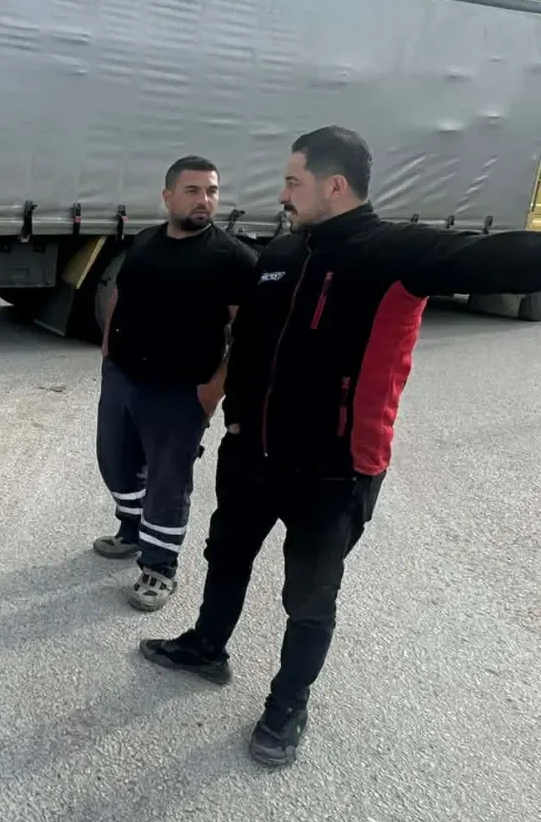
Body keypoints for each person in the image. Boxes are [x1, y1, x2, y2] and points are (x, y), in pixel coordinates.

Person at [140, 125, 541, 767]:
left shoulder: (395, 253)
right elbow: (250, 345)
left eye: (292, 182)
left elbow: (501, 256)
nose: (282, 194)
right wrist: (232, 420)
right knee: (227, 556)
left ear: (333, 185)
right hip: (252, 455)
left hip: (333, 472)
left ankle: (288, 704)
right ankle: (206, 646)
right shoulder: (282, 252)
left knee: (309, 595)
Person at [95, 157, 257, 611]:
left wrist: (213, 391)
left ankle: (159, 566)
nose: (204, 200)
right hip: (123, 378)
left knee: (168, 482)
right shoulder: (146, 241)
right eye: (193, 190)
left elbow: (250, 335)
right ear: (168, 197)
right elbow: (121, 294)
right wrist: (108, 352)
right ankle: (131, 530)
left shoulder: (233, 259)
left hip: (181, 392)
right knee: (116, 462)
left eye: (212, 191)